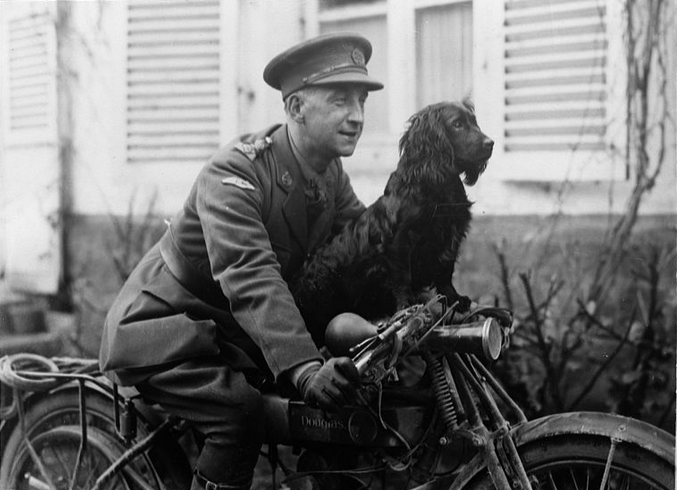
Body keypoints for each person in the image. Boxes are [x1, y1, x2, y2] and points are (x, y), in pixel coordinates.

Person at [99, 33, 384, 490]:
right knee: (241, 414)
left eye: (361, 102)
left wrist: (425, 298)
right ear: (295, 109)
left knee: (345, 411)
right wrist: (304, 367)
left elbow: (364, 248)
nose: (356, 117)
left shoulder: (329, 172)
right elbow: (251, 273)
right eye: (340, 101)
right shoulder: (235, 172)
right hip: (166, 329)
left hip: (231, 332)